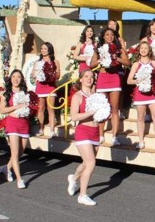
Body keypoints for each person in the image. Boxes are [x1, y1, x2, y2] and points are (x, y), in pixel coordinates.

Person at [67, 69, 100, 206]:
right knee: (91, 163)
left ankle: (73, 178)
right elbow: (74, 116)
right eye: (86, 76)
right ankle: (82, 195)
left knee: (86, 163)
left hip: (95, 131)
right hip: (83, 131)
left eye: (91, 77)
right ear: (81, 79)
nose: (89, 79)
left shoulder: (97, 96)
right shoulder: (77, 96)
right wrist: (90, 112)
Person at [92, 28, 131, 145]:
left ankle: (115, 136)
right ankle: (100, 135)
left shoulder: (119, 49)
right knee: (102, 108)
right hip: (103, 78)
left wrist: (116, 58)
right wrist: (100, 60)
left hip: (114, 78)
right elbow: (91, 64)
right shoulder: (98, 49)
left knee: (114, 109)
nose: (110, 37)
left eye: (112, 35)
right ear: (103, 37)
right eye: (107, 35)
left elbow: (128, 63)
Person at [127, 42, 155, 151]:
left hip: (153, 94)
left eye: (146, 48)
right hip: (140, 94)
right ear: (139, 50)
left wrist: (153, 83)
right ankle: (141, 141)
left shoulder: (154, 63)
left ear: (149, 50)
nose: (144, 50)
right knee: (140, 117)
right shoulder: (135, 64)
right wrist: (139, 80)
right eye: (142, 48)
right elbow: (129, 80)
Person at [0, 69, 30, 189]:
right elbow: (2, 110)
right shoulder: (6, 93)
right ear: (10, 79)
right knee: (15, 153)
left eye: (19, 77)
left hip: (24, 124)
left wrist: (27, 110)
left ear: (21, 79)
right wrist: (17, 107)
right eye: (14, 77)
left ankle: (6, 168)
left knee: (21, 152)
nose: (16, 79)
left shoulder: (26, 92)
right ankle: (19, 179)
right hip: (12, 124)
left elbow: (29, 107)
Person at [33, 42, 61, 137]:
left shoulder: (55, 62)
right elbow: (33, 75)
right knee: (41, 108)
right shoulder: (37, 62)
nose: (43, 50)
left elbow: (58, 75)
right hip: (40, 86)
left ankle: (52, 130)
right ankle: (40, 129)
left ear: (49, 50)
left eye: (45, 48)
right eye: (42, 48)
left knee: (50, 108)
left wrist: (51, 75)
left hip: (50, 87)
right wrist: (38, 73)